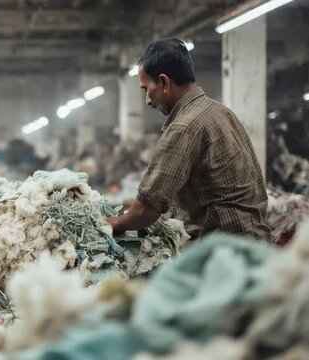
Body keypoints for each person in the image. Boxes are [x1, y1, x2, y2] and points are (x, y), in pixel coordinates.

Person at [107, 39, 270, 240]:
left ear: (164, 83)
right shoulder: (220, 111)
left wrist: (113, 224)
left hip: (224, 252)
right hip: (254, 243)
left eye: (146, 89)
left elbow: (146, 210)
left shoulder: (184, 127)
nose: (148, 100)